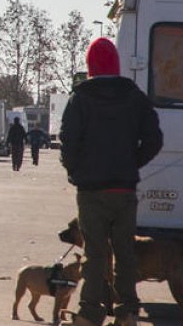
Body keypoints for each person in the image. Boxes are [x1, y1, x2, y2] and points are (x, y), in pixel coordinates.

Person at [59, 37, 163, 326]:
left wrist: (75, 171)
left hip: (91, 191)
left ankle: (90, 315)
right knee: (124, 254)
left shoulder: (80, 98)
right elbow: (155, 138)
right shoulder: (134, 96)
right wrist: (132, 163)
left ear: (90, 65)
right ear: (116, 65)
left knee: (94, 255)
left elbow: (68, 141)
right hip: (124, 188)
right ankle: (127, 313)